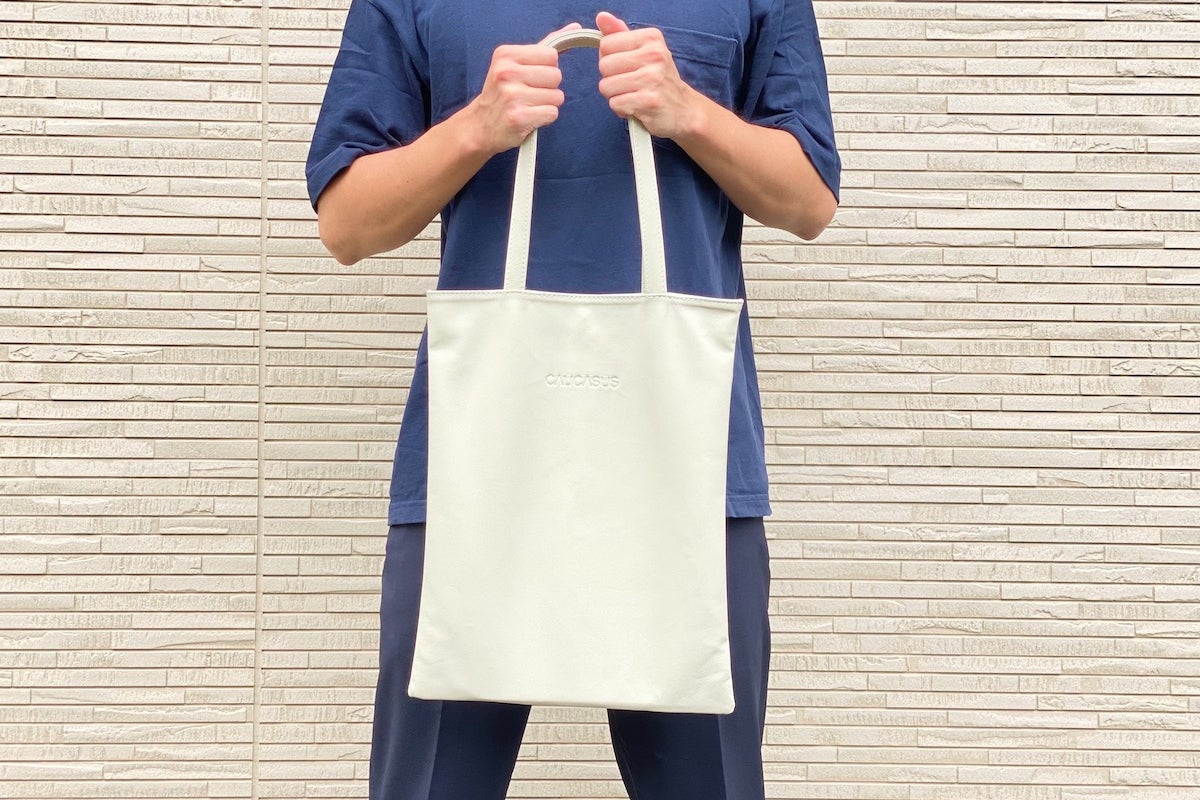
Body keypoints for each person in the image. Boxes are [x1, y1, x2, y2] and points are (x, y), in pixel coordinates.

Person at [305, 2, 840, 798]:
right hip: (473, 464)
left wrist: (689, 111)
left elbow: (809, 203)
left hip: (690, 462)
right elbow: (347, 225)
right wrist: (475, 127)